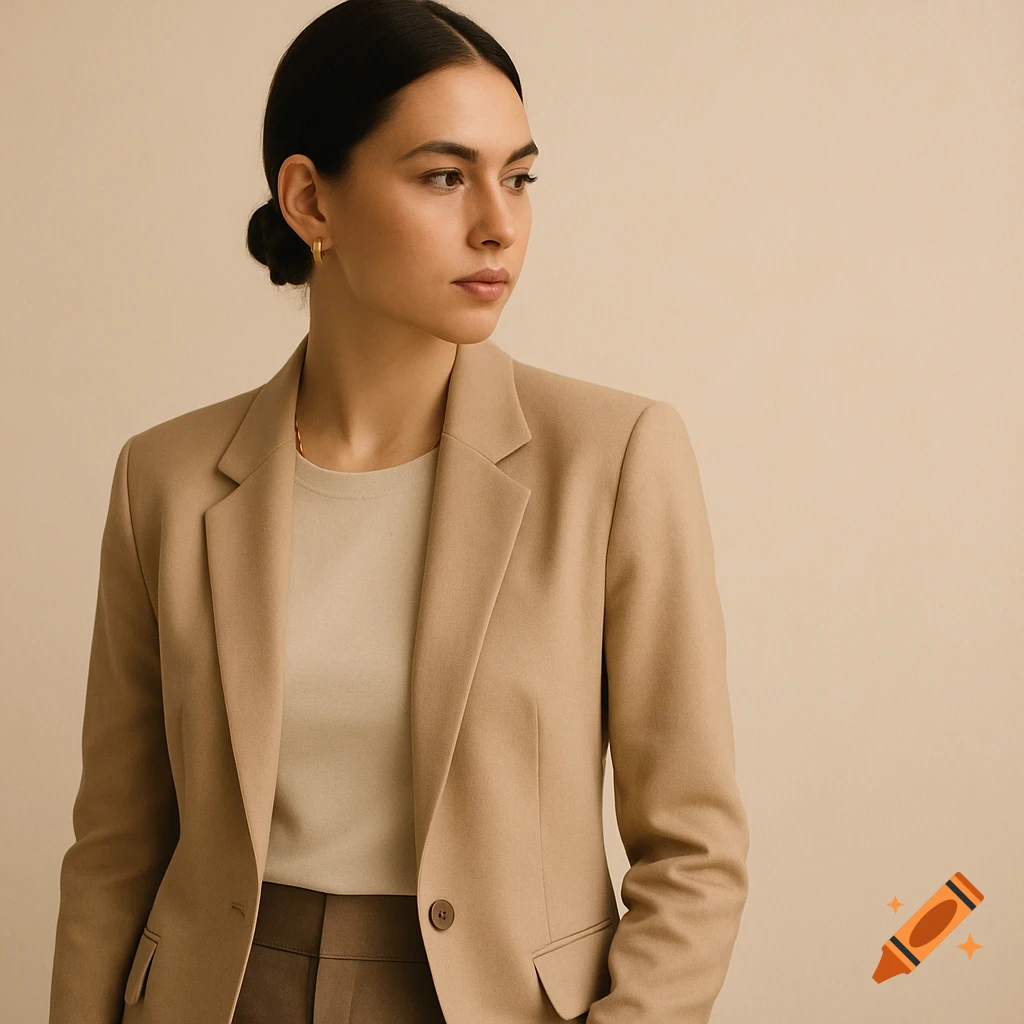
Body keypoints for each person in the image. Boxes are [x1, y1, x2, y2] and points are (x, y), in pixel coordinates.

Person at [48, 1, 750, 1022]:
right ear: (309, 201)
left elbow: (695, 850)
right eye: (443, 175)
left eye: (518, 176)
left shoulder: (613, 456)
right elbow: (115, 848)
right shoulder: (165, 476)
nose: (497, 223)